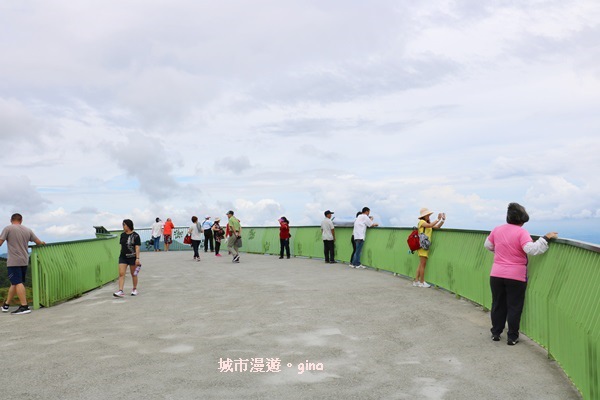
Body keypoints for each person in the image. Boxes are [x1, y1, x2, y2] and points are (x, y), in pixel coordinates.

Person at [485, 202, 558, 345]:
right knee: (514, 306)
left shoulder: (497, 229)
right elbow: (532, 249)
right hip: (516, 276)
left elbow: (488, 245)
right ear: (522, 220)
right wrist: (546, 238)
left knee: (498, 304)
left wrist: (500, 253)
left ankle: (496, 333)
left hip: (496, 274)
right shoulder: (521, 232)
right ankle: (512, 337)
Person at [0, 213, 45, 314]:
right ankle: (6, 305)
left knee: (17, 282)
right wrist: (42, 243)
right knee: (15, 282)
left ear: (11, 220)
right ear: (21, 220)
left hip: (13, 261)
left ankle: (24, 306)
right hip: (24, 260)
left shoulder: (8, 228)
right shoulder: (27, 230)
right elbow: (38, 242)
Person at [413, 208, 446, 288]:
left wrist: (442, 220)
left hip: (424, 245)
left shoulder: (427, 223)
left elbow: (437, 227)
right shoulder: (422, 222)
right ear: (424, 216)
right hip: (422, 246)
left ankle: (416, 281)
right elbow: (430, 225)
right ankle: (422, 282)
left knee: (421, 264)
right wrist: (437, 219)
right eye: (427, 215)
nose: (429, 216)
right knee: (423, 264)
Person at [113, 219, 141, 298]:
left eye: (124, 225)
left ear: (128, 225)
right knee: (121, 274)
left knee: (134, 274)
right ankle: (120, 290)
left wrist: (137, 258)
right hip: (123, 257)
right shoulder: (122, 235)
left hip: (132, 257)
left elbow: (137, 247)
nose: (123, 226)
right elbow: (122, 246)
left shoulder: (136, 235)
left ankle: (134, 289)